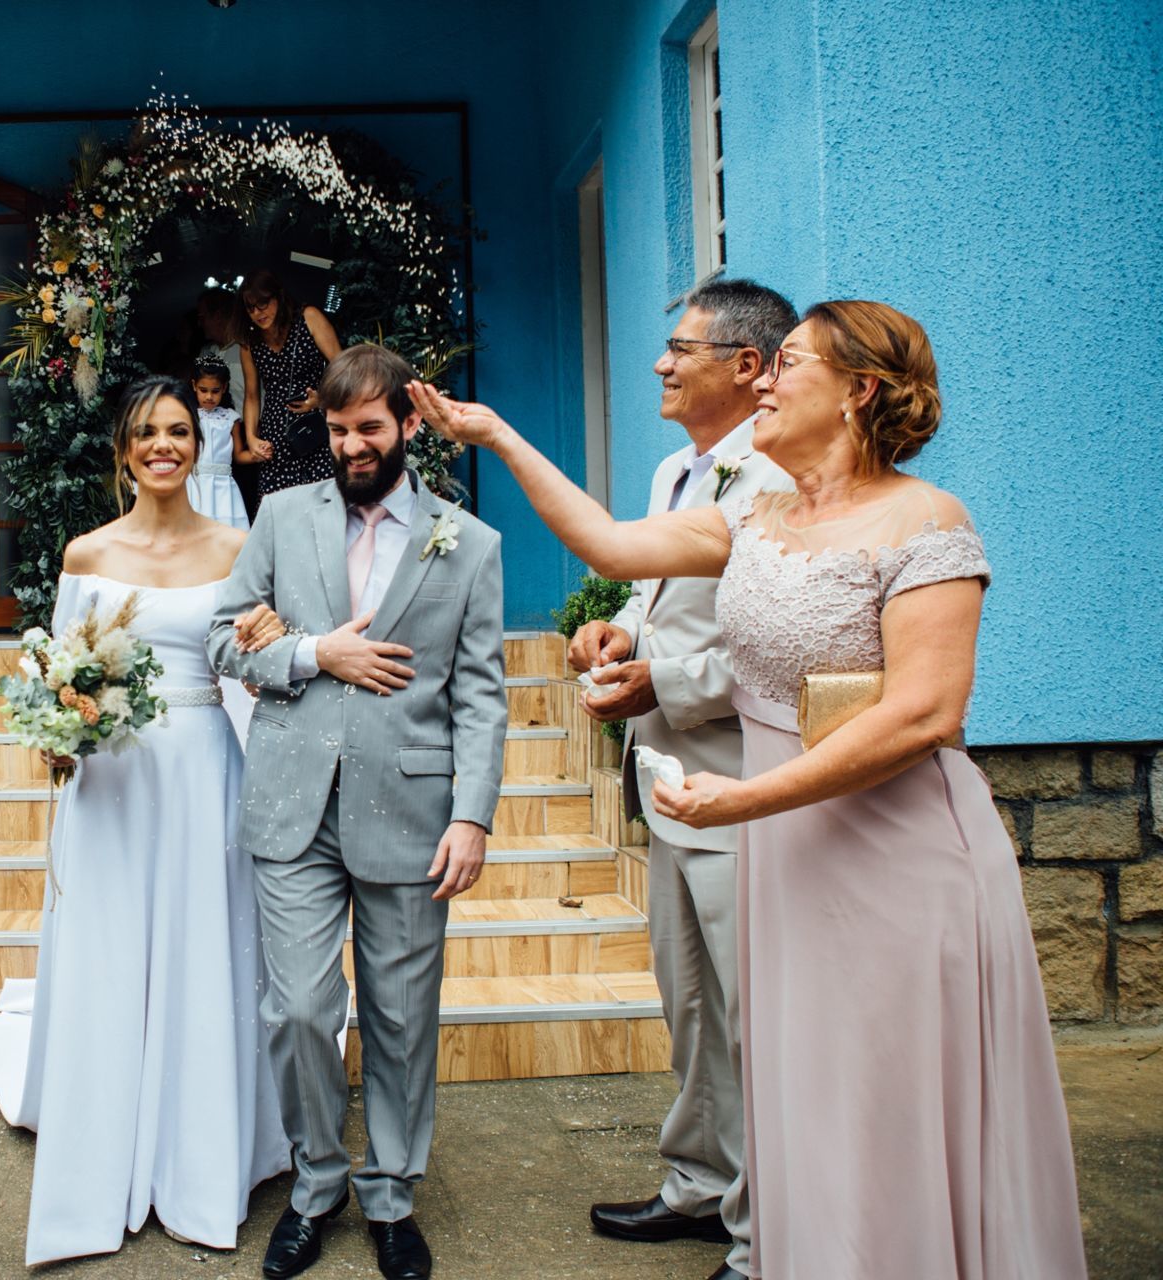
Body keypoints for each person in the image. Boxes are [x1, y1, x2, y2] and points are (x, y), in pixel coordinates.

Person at [411, 300, 1088, 1278]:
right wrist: (496, 434)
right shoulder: (754, 514)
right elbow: (608, 544)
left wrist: (745, 802)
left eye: (790, 365)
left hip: (895, 848)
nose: (765, 379)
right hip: (784, 843)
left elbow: (925, 713)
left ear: (858, 391)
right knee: (794, 1075)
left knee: (887, 1083)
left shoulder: (927, 519)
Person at [209, 344, 509, 1280]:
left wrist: (474, 815)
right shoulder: (282, 516)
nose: (352, 446)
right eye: (338, 432)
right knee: (298, 1009)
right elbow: (224, 636)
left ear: (409, 427)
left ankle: (390, 1196)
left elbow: (481, 695)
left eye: (369, 429)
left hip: (414, 808)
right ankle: (315, 1186)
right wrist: (309, 655)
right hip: (292, 799)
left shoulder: (469, 541)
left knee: (402, 1015)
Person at [0, 375, 293, 1265]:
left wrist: (273, 640)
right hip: (112, 776)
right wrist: (55, 733)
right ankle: (104, 1135)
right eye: (148, 433)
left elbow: (254, 656)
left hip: (203, 764)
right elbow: (55, 669)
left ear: (199, 448)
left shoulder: (240, 546)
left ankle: (206, 1146)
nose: (165, 445)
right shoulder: (86, 554)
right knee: (112, 948)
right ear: (124, 451)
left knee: (206, 945)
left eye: (181, 432)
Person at [580, 280, 796, 1280]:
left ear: (746, 366)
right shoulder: (679, 468)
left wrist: (662, 678)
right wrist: (623, 629)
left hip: (742, 782)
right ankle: (701, 1185)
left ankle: (769, 1236)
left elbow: (778, 650)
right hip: (666, 778)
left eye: (681, 348)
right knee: (692, 1004)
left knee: (759, 1017)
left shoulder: (776, 476)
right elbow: (660, 591)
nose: (661, 364)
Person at [238, 269, 343, 499]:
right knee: (278, 510)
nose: (257, 313)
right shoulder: (249, 340)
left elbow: (343, 368)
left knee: (321, 505)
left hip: (315, 428)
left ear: (278, 297)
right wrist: (251, 438)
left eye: (263, 304)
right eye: (250, 308)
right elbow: (252, 396)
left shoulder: (308, 317)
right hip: (275, 434)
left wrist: (321, 399)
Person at [189, 357, 251, 529]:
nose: (209, 396)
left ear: (224, 388)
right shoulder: (188, 415)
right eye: (203, 390)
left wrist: (259, 453)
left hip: (223, 486)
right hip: (195, 484)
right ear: (194, 386)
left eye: (215, 391)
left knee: (224, 529)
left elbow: (239, 456)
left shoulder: (230, 417)